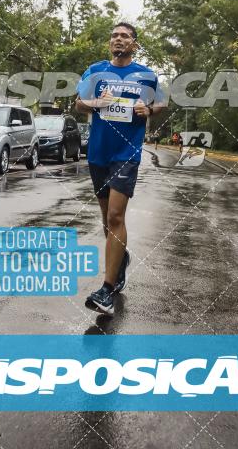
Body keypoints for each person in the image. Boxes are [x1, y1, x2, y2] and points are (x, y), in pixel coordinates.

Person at [76, 22, 164, 316]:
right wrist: (95, 103)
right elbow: (79, 103)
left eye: (125, 36)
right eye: (114, 35)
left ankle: (107, 289)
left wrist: (148, 110)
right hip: (98, 153)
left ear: (134, 44)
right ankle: (121, 259)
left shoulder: (147, 76)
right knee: (106, 222)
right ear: (109, 42)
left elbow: (162, 103)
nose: (118, 39)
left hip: (126, 153)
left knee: (116, 216)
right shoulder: (95, 71)